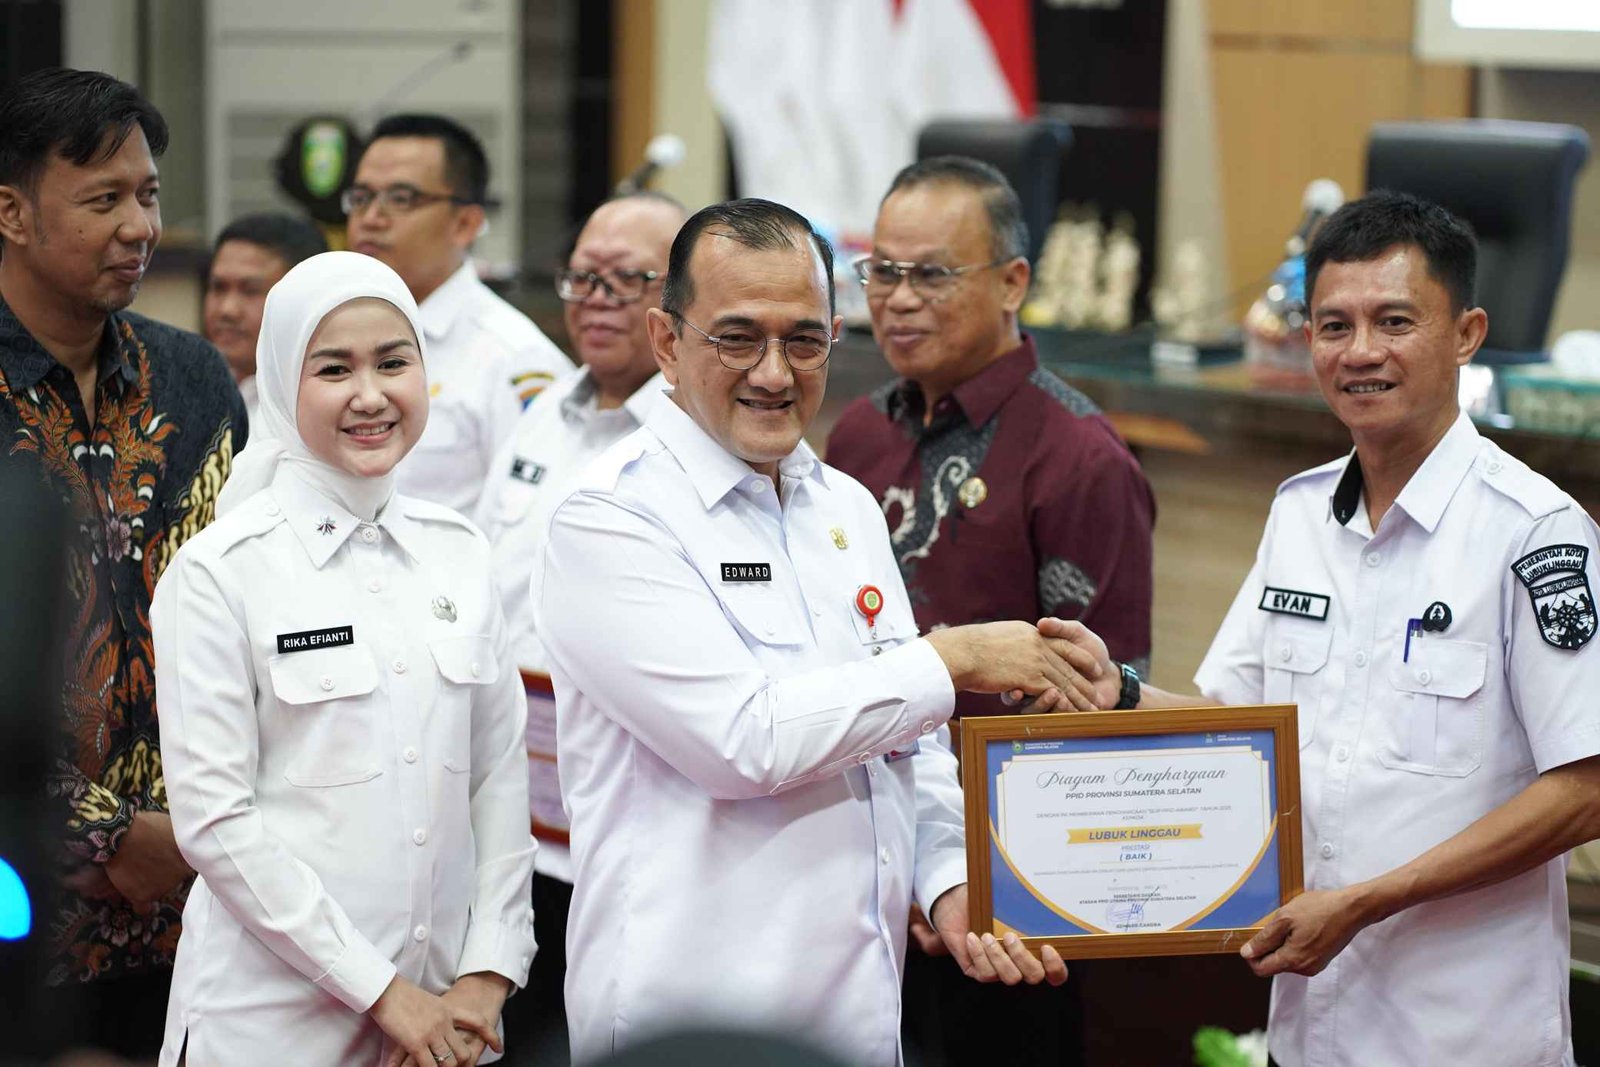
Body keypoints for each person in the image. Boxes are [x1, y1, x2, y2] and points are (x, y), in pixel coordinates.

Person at [535, 198, 1094, 1065]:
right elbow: (743, 742)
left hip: (859, 1010)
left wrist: (949, 880)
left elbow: (911, 744)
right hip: (688, 1017)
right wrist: (952, 657)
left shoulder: (845, 507)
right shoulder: (609, 517)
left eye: (803, 340)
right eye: (736, 338)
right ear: (667, 340)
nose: (774, 372)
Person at [1055, 192, 1600, 1067]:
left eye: (1395, 321)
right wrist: (1115, 691)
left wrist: (1367, 900)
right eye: (1334, 325)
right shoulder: (1300, 515)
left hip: (1464, 1035)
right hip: (1311, 1028)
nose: (1361, 352)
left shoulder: (1533, 533)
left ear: (1466, 334)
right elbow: (1238, 731)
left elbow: (1585, 786)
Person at [151, 252, 537, 1065]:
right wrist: (385, 993)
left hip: (446, 1024)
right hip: (270, 1028)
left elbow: (499, 775)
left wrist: (488, 971)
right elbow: (215, 820)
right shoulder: (222, 570)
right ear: (282, 381)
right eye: (334, 369)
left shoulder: (461, 552)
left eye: (394, 362)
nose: (370, 395)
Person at [826, 155, 1155, 1065]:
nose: (898, 299)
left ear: (1013, 282)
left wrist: (960, 878)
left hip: (1011, 904)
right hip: (857, 870)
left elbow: (1099, 708)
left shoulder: (1081, 459)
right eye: (883, 270)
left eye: (932, 273)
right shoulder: (857, 433)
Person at [0, 67, 245, 1057]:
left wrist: (193, 831)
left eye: (147, 195)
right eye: (103, 200)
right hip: (23, 915)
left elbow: (253, 605)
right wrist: (105, 834)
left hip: (203, 903)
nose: (139, 226)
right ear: (11, 212)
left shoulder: (192, 378)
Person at [475, 190, 686, 1062]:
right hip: (506, 827)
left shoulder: (696, 440)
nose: (596, 299)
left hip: (628, 833)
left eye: (626, 279)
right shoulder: (541, 416)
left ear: (681, 301)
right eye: (583, 277)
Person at [345, 112, 572, 514]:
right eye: (361, 198)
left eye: (401, 199)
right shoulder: (336, 330)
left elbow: (531, 525)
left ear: (466, 223)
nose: (371, 218)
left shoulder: (515, 358)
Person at [202, 210, 328, 420]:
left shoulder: (323, 411)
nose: (227, 310)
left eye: (250, 291)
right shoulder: (187, 389)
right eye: (218, 287)